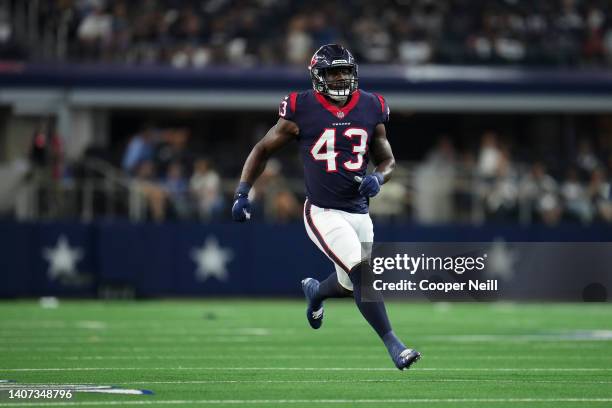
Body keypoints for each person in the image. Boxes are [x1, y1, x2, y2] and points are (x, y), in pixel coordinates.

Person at [231, 44, 421, 370]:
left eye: (345, 71)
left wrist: (379, 177)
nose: (340, 78)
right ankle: (395, 345)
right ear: (318, 76)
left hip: (360, 212)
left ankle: (317, 292)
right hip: (322, 211)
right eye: (333, 72)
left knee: (349, 286)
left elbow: (387, 160)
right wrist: (242, 192)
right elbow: (263, 149)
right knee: (363, 275)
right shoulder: (300, 108)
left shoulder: (371, 106)